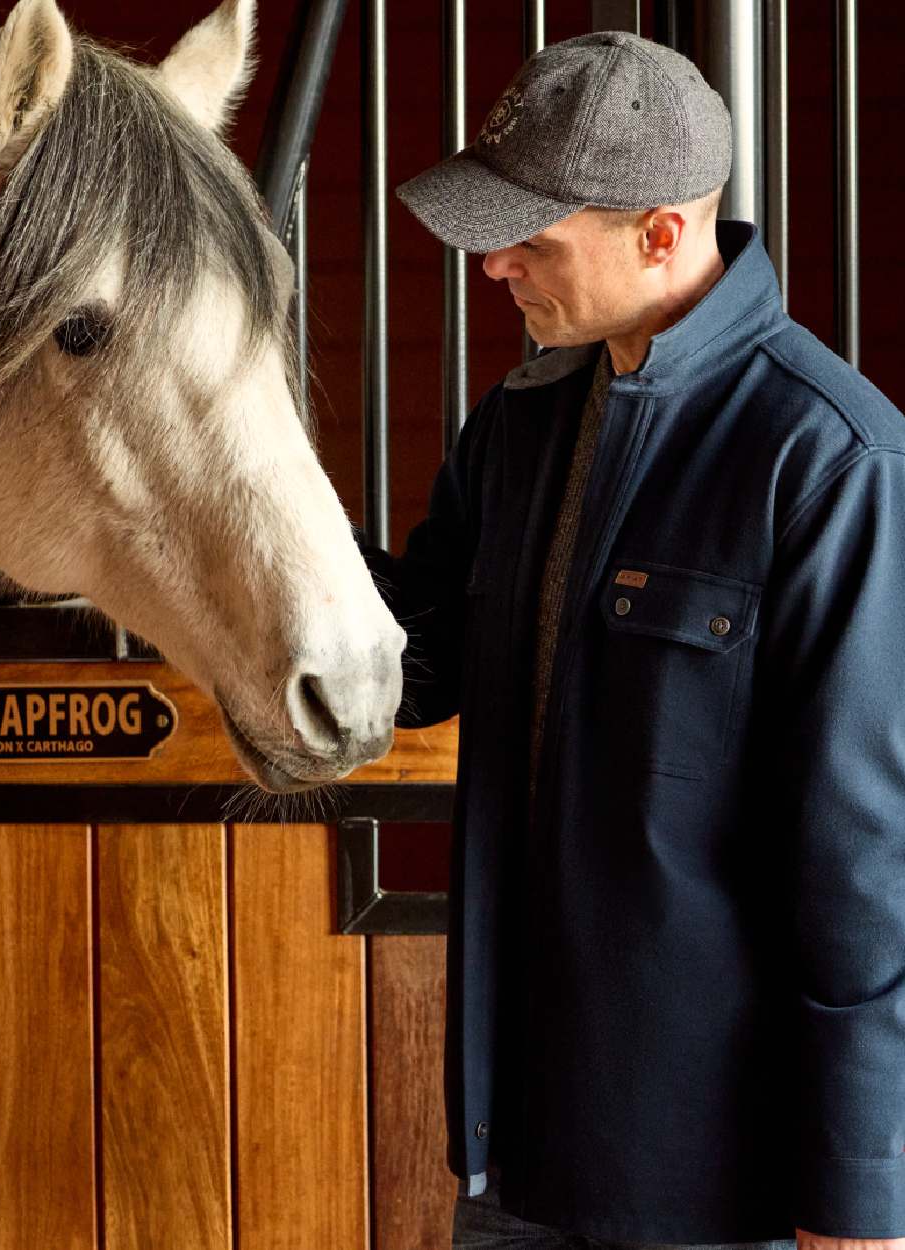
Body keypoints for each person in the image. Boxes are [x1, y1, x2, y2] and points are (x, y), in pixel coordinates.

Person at [360, 29, 905, 1250]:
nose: (493, 264)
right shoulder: (518, 421)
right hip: (513, 1152)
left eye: (533, 238)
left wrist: (860, 1184)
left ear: (659, 232)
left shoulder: (829, 459)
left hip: (718, 1183)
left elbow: (865, 864)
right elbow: (420, 665)